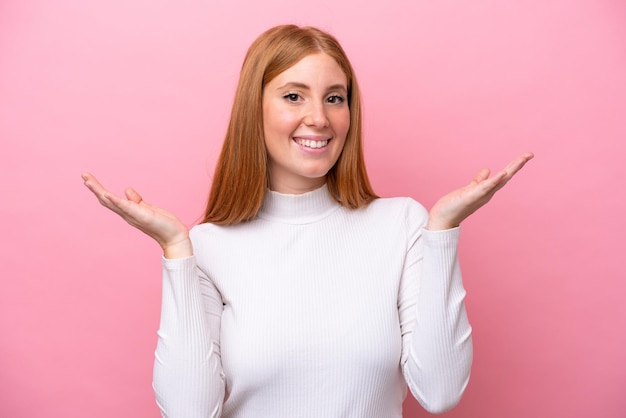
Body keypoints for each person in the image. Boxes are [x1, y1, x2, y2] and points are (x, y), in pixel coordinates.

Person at [82, 24, 533, 418]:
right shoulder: (209, 246)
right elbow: (189, 412)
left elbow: (439, 392)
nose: (319, 118)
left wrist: (442, 233)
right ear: (253, 110)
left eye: (334, 98)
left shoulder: (402, 225)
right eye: (294, 96)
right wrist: (178, 251)